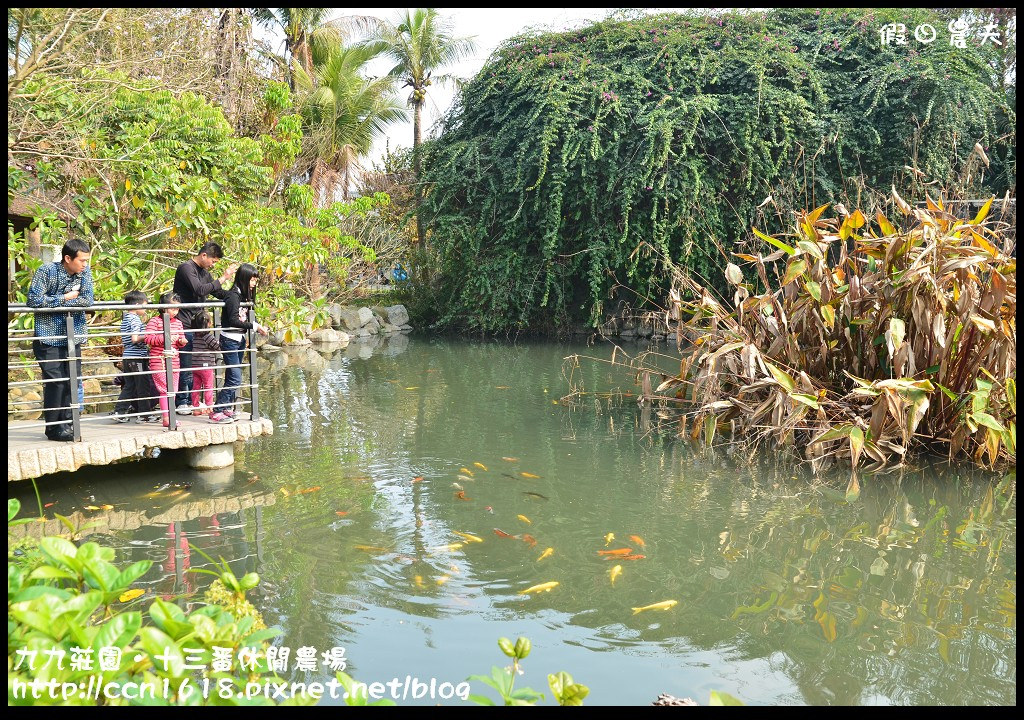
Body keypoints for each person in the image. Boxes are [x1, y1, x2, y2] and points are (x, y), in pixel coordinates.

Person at [26, 238, 94, 441]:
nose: (85, 264)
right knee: (56, 382)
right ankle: (55, 428)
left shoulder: (85, 274)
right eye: (82, 260)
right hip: (48, 337)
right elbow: (34, 300)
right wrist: (65, 298)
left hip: (74, 337)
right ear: (67, 258)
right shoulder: (47, 271)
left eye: (86, 261)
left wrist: (57, 300)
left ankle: (68, 423)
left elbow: (87, 299)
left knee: (72, 380)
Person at [171, 242, 237, 416]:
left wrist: (236, 294)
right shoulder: (186, 268)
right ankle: (182, 402)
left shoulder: (205, 274)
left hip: (199, 327)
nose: (212, 265)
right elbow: (199, 289)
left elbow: (217, 292)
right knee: (186, 365)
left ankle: (193, 401)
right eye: (213, 261)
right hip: (184, 324)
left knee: (196, 366)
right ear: (204, 255)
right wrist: (223, 277)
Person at [211, 264, 268, 423]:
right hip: (229, 340)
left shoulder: (244, 295)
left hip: (240, 340)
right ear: (244, 278)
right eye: (252, 279)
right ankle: (217, 409)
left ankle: (226, 407)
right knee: (235, 377)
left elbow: (248, 316)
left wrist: (257, 325)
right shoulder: (233, 296)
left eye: (256, 280)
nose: (254, 283)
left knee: (233, 375)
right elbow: (233, 320)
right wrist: (254, 326)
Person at [112, 290, 159, 423]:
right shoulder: (134, 319)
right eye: (144, 305)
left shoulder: (126, 318)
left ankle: (119, 411)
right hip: (137, 357)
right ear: (138, 304)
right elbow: (134, 338)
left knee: (130, 385)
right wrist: (149, 335)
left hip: (128, 357)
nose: (145, 309)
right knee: (143, 386)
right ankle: (145, 415)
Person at [144, 292, 188, 427]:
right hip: (159, 360)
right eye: (173, 308)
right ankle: (166, 418)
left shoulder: (179, 323)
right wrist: (166, 338)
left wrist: (182, 341)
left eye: (177, 308)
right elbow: (148, 338)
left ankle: (171, 415)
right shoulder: (155, 321)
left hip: (174, 361)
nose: (176, 311)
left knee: (173, 390)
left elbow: (181, 340)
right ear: (163, 307)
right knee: (164, 390)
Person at [189, 310, 220, 415]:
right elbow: (218, 347)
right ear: (207, 324)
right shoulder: (208, 336)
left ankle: (196, 407)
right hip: (206, 365)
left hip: (195, 365)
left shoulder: (195, 335)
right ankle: (209, 407)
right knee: (208, 386)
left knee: (196, 386)